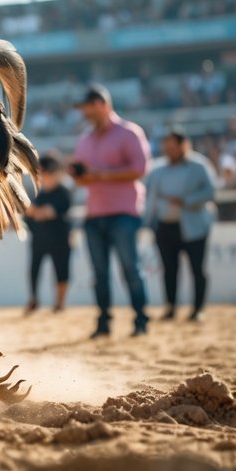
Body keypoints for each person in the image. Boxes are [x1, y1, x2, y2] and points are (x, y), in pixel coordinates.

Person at [70, 84, 151, 338]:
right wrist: (78, 175)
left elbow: (140, 168)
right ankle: (104, 322)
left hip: (123, 212)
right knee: (100, 274)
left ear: (101, 104)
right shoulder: (85, 139)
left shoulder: (128, 133)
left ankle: (140, 320)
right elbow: (83, 178)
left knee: (131, 269)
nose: (84, 113)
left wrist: (100, 174)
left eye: (87, 108)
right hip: (95, 213)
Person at [144, 130, 217, 322]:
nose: (169, 151)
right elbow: (149, 196)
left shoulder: (199, 166)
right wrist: (149, 221)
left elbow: (210, 192)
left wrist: (186, 201)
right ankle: (170, 307)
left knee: (197, 269)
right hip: (165, 227)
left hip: (194, 227)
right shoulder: (157, 169)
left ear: (184, 145)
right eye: (166, 147)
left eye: (173, 147)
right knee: (169, 269)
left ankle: (198, 309)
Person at [24, 154, 72, 315]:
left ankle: (60, 303)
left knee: (61, 270)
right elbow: (30, 213)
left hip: (60, 238)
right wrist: (37, 213)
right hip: (39, 238)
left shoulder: (63, 192)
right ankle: (34, 299)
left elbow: (44, 212)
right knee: (34, 270)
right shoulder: (40, 193)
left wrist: (37, 212)